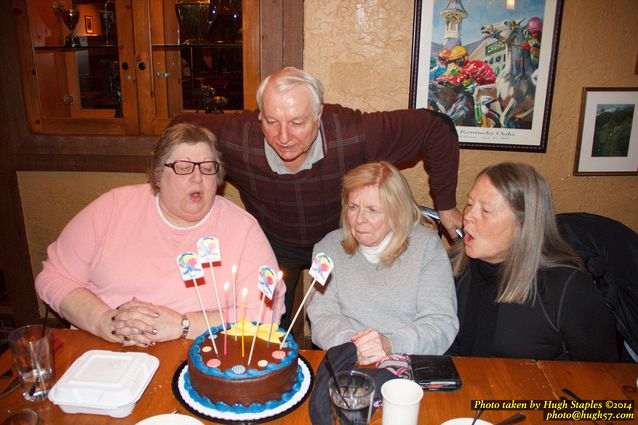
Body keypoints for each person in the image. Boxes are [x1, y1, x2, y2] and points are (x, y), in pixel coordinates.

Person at [171, 67, 462, 328]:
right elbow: (179, 128)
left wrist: (446, 205)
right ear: (259, 115)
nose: (283, 137)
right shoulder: (238, 136)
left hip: (340, 239)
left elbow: (436, 127)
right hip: (274, 239)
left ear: (318, 114)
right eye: (271, 122)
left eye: (297, 122)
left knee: (353, 318)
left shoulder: (354, 133)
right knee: (268, 328)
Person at [35, 123, 285, 347]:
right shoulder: (112, 207)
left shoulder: (242, 229)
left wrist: (182, 325)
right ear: (157, 174)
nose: (197, 178)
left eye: (208, 168)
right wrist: (102, 320)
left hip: (198, 356)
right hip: (102, 348)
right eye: (183, 167)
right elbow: (54, 276)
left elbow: (265, 315)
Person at [447, 162, 618, 361]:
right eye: (469, 204)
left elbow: (603, 372)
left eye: (485, 210)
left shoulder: (566, 286)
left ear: (523, 226)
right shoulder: (456, 267)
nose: (468, 216)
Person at [306, 161, 458, 365]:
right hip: (347, 358)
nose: (359, 219)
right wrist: (352, 346)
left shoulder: (426, 247)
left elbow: (440, 322)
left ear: (397, 212)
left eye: (373, 210)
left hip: (408, 358)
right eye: (353, 207)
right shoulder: (328, 248)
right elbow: (322, 314)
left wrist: (390, 344)